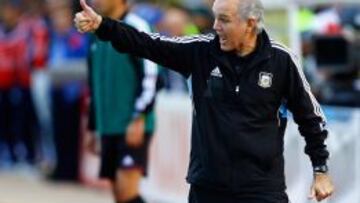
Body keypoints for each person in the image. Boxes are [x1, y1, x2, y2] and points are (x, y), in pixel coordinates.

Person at [74, 0, 335, 202]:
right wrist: (103, 26)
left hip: (262, 189)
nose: (215, 27)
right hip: (207, 187)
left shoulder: (282, 61)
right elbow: (147, 44)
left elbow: (311, 118)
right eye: (215, 18)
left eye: (224, 20)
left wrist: (320, 169)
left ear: (251, 23)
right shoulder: (199, 52)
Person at [84, 0, 158, 202]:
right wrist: (92, 126)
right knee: (119, 194)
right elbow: (93, 82)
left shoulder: (137, 26)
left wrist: (139, 115)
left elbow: (152, 76)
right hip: (108, 125)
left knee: (127, 193)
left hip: (132, 123)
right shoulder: (95, 30)